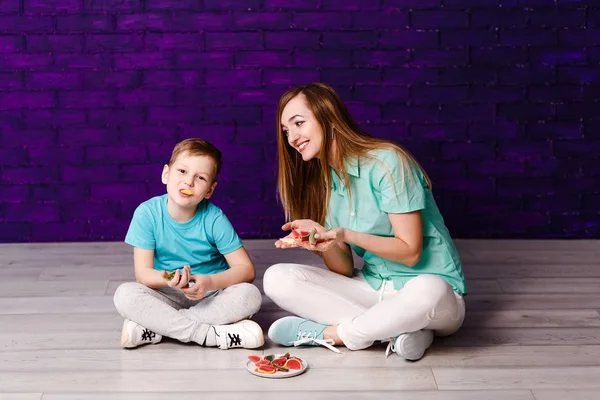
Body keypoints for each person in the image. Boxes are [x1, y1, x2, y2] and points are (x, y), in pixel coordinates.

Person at [263, 83, 467, 361]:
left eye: (299, 123)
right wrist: (323, 243)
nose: (292, 138)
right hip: (374, 289)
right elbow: (344, 270)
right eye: (286, 131)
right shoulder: (323, 184)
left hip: (434, 294)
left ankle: (334, 335)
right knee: (277, 278)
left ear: (329, 118)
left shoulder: (388, 162)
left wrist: (346, 234)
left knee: (428, 289)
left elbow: (411, 252)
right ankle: (400, 330)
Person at [113, 138, 264, 350]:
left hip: (211, 296)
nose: (188, 182)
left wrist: (209, 282)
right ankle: (211, 336)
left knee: (250, 294)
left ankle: (157, 328)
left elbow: (246, 270)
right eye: (182, 172)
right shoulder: (147, 213)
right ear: (166, 174)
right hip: (168, 293)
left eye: (200, 178)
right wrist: (170, 278)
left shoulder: (214, 218)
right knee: (125, 294)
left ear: (210, 190)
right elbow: (143, 274)